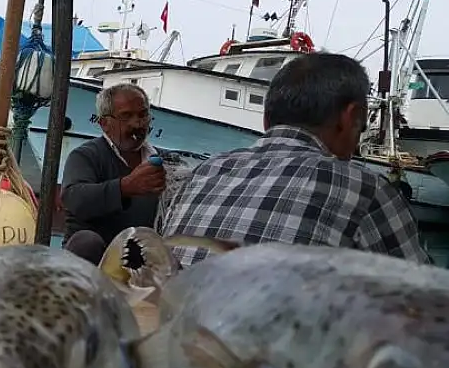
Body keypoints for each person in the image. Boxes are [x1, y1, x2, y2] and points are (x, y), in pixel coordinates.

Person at [160, 52, 432, 266]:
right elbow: (425, 304)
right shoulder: (366, 190)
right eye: (361, 128)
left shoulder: (203, 172)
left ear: (266, 119)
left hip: (177, 330)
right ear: (350, 117)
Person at [60, 83, 166, 263]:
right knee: (86, 242)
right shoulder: (85, 156)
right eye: (126, 116)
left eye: (143, 115)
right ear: (104, 124)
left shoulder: (162, 160)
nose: (137, 123)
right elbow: (73, 198)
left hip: (141, 262)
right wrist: (125, 187)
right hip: (94, 264)